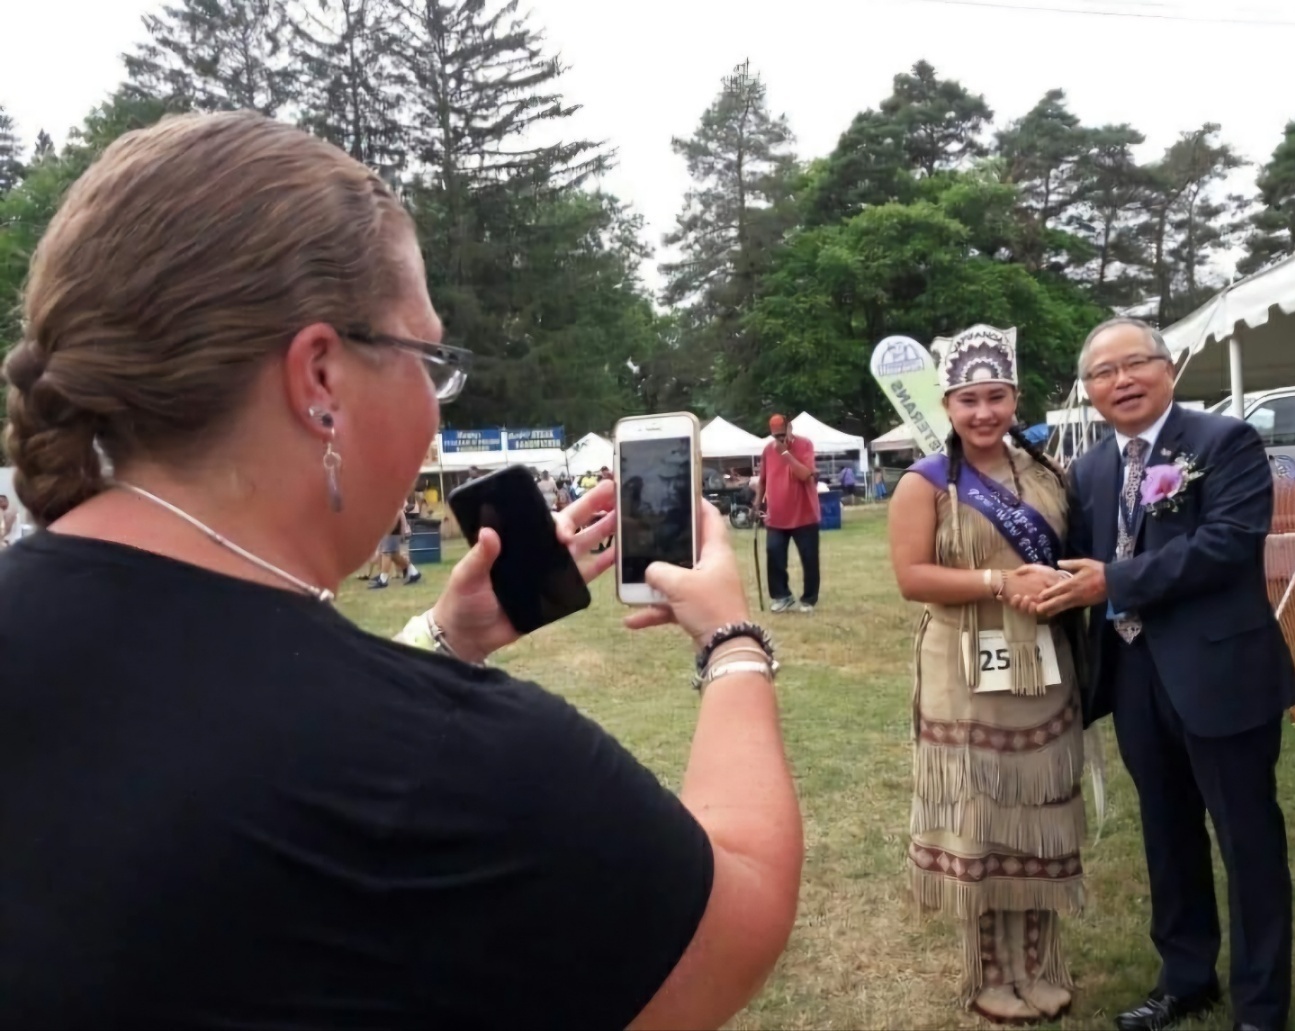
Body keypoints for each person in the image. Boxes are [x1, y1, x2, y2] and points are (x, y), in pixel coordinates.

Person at [0, 111, 802, 1030]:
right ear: (320, 378)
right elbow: (735, 916)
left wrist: (439, 643)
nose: (435, 404)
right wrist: (732, 642)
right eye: (428, 360)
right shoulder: (449, 762)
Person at [1023, 317, 1295, 1031]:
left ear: (1167, 368)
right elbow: (1066, 555)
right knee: (1168, 836)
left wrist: (1114, 580)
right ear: (1089, 390)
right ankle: (1186, 978)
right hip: (1135, 678)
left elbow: (1228, 544)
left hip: (1222, 674)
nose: (1121, 381)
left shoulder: (1224, 442)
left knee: (1248, 841)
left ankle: (1260, 1007)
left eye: (1135, 364)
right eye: (1103, 373)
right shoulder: (1090, 470)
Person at [887, 324, 1086, 1024]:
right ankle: (991, 970)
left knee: (1040, 816)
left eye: (996, 397)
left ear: (1015, 398)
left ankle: (1040, 962)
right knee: (983, 820)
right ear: (947, 404)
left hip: (1044, 666)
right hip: (962, 669)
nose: (983, 412)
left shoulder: (1047, 474)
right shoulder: (924, 482)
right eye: (968, 400)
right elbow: (912, 577)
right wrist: (1000, 582)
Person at [753, 414, 821, 613]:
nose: (780, 440)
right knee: (774, 554)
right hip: (777, 515)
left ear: (790, 428)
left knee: (809, 558)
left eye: (782, 435)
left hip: (804, 514)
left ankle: (809, 599)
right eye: (776, 436)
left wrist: (785, 453)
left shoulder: (805, 445)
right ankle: (782, 596)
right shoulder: (768, 450)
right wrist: (758, 503)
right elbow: (763, 480)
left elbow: (805, 474)